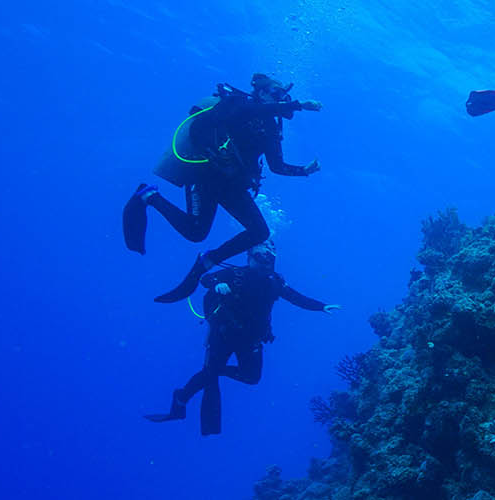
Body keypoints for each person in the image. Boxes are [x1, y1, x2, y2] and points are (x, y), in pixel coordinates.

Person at [123, 73, 324, 303]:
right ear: (259, 92)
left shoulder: (270, 126)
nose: (278, 99)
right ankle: (149, 195)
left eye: (282, 96)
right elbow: (246, 112)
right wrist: (296, 105)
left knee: (260, 232)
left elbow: (277, 166)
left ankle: (207, 261)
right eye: (274, 94)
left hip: (233, 186)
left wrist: (304, 171)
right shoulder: (238, 103)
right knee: (196, 233)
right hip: (206, 176)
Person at [144, 241, 340, 435]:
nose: (264, 260)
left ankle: (215, 371)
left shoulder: (275, 282)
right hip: (224, 335)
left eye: (269, 257)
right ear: (249, 257)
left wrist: (321, 306)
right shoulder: (235, 274)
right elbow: (205, 279)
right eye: (259, 256)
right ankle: (180, 399)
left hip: (251, 339)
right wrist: (217, 284)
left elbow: (297, 297)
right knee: (209, 374)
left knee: (251, 377)